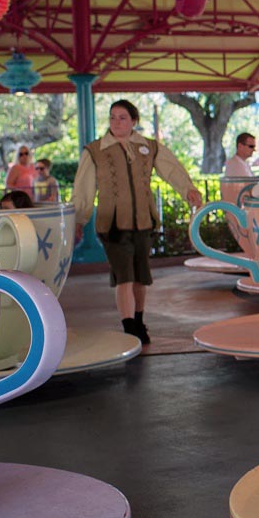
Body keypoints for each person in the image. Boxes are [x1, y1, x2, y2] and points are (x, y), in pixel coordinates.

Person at [72, 99, 203, 345]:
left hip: (144, 222)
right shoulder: (94, 150)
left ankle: (139, 320)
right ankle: (130, 326)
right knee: (125, 277)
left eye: (122, 117)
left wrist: (189, 191)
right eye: (112, 117)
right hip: (112, 225)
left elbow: (172, 170)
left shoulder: (150, 147)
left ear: (134, 121)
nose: (116, 122)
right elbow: (83, 188)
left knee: (140, 277)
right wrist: (79, 219)